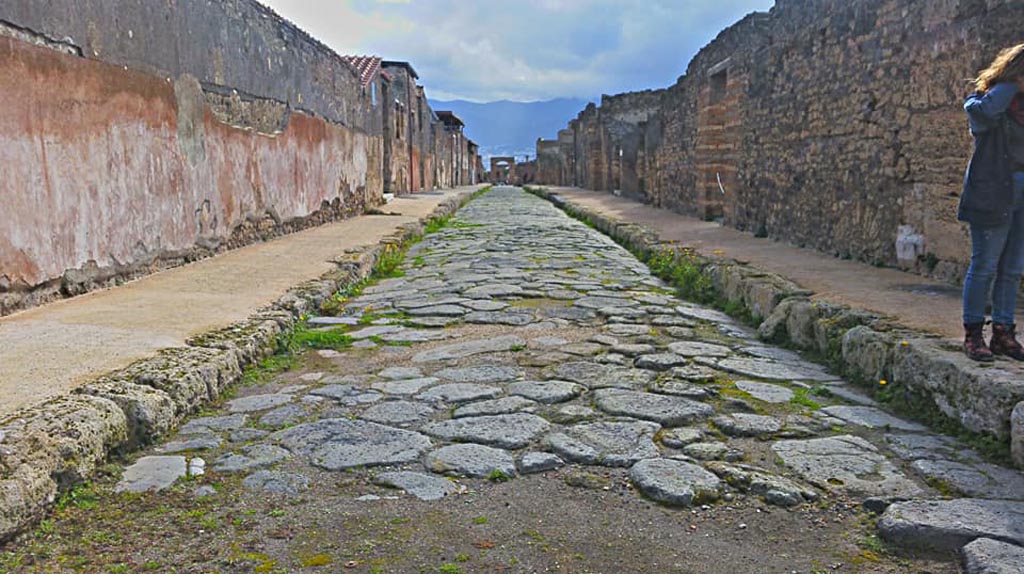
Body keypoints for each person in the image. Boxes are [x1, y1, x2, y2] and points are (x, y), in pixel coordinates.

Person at [959, 43, 1024, 361]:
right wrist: (1010, 84)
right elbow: (983, 112)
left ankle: (1003, 333)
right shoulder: (988, 104)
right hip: (993, 191)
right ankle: (974, 335)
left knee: (1012, 268)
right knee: (984, 265)